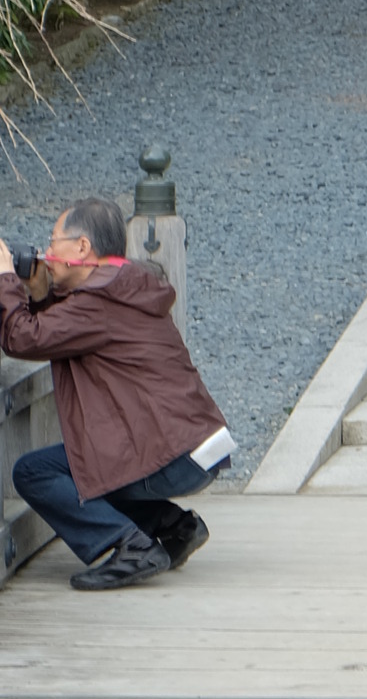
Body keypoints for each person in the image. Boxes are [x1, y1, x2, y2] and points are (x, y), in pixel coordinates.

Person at [0, 199, 234, 588]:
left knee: (36, 472)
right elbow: (66, 328)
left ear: (82, 248)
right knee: (86, 466)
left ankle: (133, 547)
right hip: (193, 447)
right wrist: (42, 295)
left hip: (171, 454)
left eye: (53, 241)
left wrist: (6, 279)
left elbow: (22, 337)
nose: (46, 251)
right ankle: (174, 527)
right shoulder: (123, 286)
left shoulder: (98, 305)